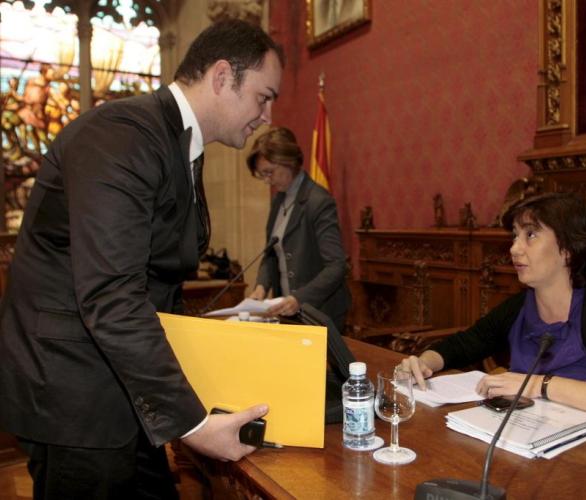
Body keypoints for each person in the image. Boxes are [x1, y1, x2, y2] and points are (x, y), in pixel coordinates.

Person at [0, 20, 284, 499]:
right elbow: (111, 295)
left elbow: (157, 281)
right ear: (222, 77)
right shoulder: (122, 135)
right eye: (263, 97)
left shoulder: (176, 143)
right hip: (76, 397)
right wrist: (193, 426)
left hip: (125, 391)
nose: (267, 116)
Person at [400, 192, 586, 433]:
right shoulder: (519, 307)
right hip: (555, 439)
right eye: (515, 236)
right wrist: (425, 362)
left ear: (568, 248)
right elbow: (466, 343)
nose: (514, 248)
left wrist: (536, 385)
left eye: (531, 235)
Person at [246, 127, 350, 333]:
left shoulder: (318, 201)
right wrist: (261, 287)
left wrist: (299, 298)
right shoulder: (278, 201)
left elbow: (337, 266)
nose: (267, 181)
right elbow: (271, 253)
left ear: (288, 162)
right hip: (289, 316)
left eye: (269, 172)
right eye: (262, 174)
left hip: (321, 314)